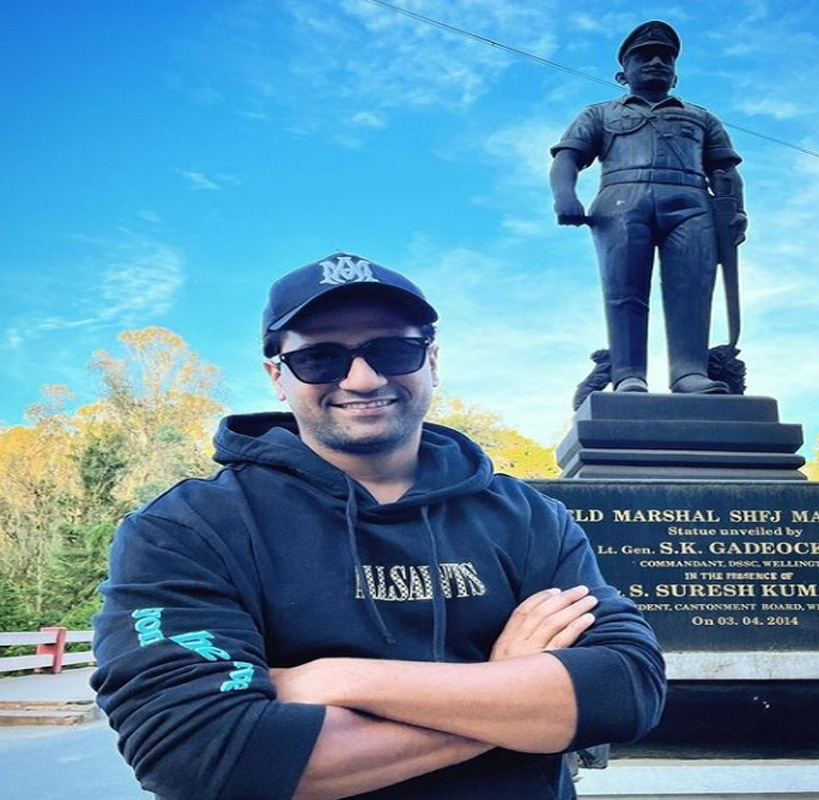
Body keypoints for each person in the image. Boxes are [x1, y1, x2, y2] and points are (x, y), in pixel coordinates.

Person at [90, 251, 667, 800]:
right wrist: (510, 692)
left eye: (393, 351)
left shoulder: (530, 517)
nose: (363, 379)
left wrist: (339, 678)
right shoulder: (184, 529)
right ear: (277, 375)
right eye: (320, 357)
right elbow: (200, 753)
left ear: (432, 362)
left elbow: (624, 687)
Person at [550, 20, 748, 395]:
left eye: (665, 58)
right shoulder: (600, 114)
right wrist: (565, 196)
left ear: (675, 75)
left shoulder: (702, 117)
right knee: (624, 290)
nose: (656, 62)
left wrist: (736, 210)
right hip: (621, 202)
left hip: (692, 202)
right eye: (644, 56)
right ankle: (628, 374)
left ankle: (690, 372)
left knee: (692, 287)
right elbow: (567, 158)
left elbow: (725, 169)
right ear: (622, 73)